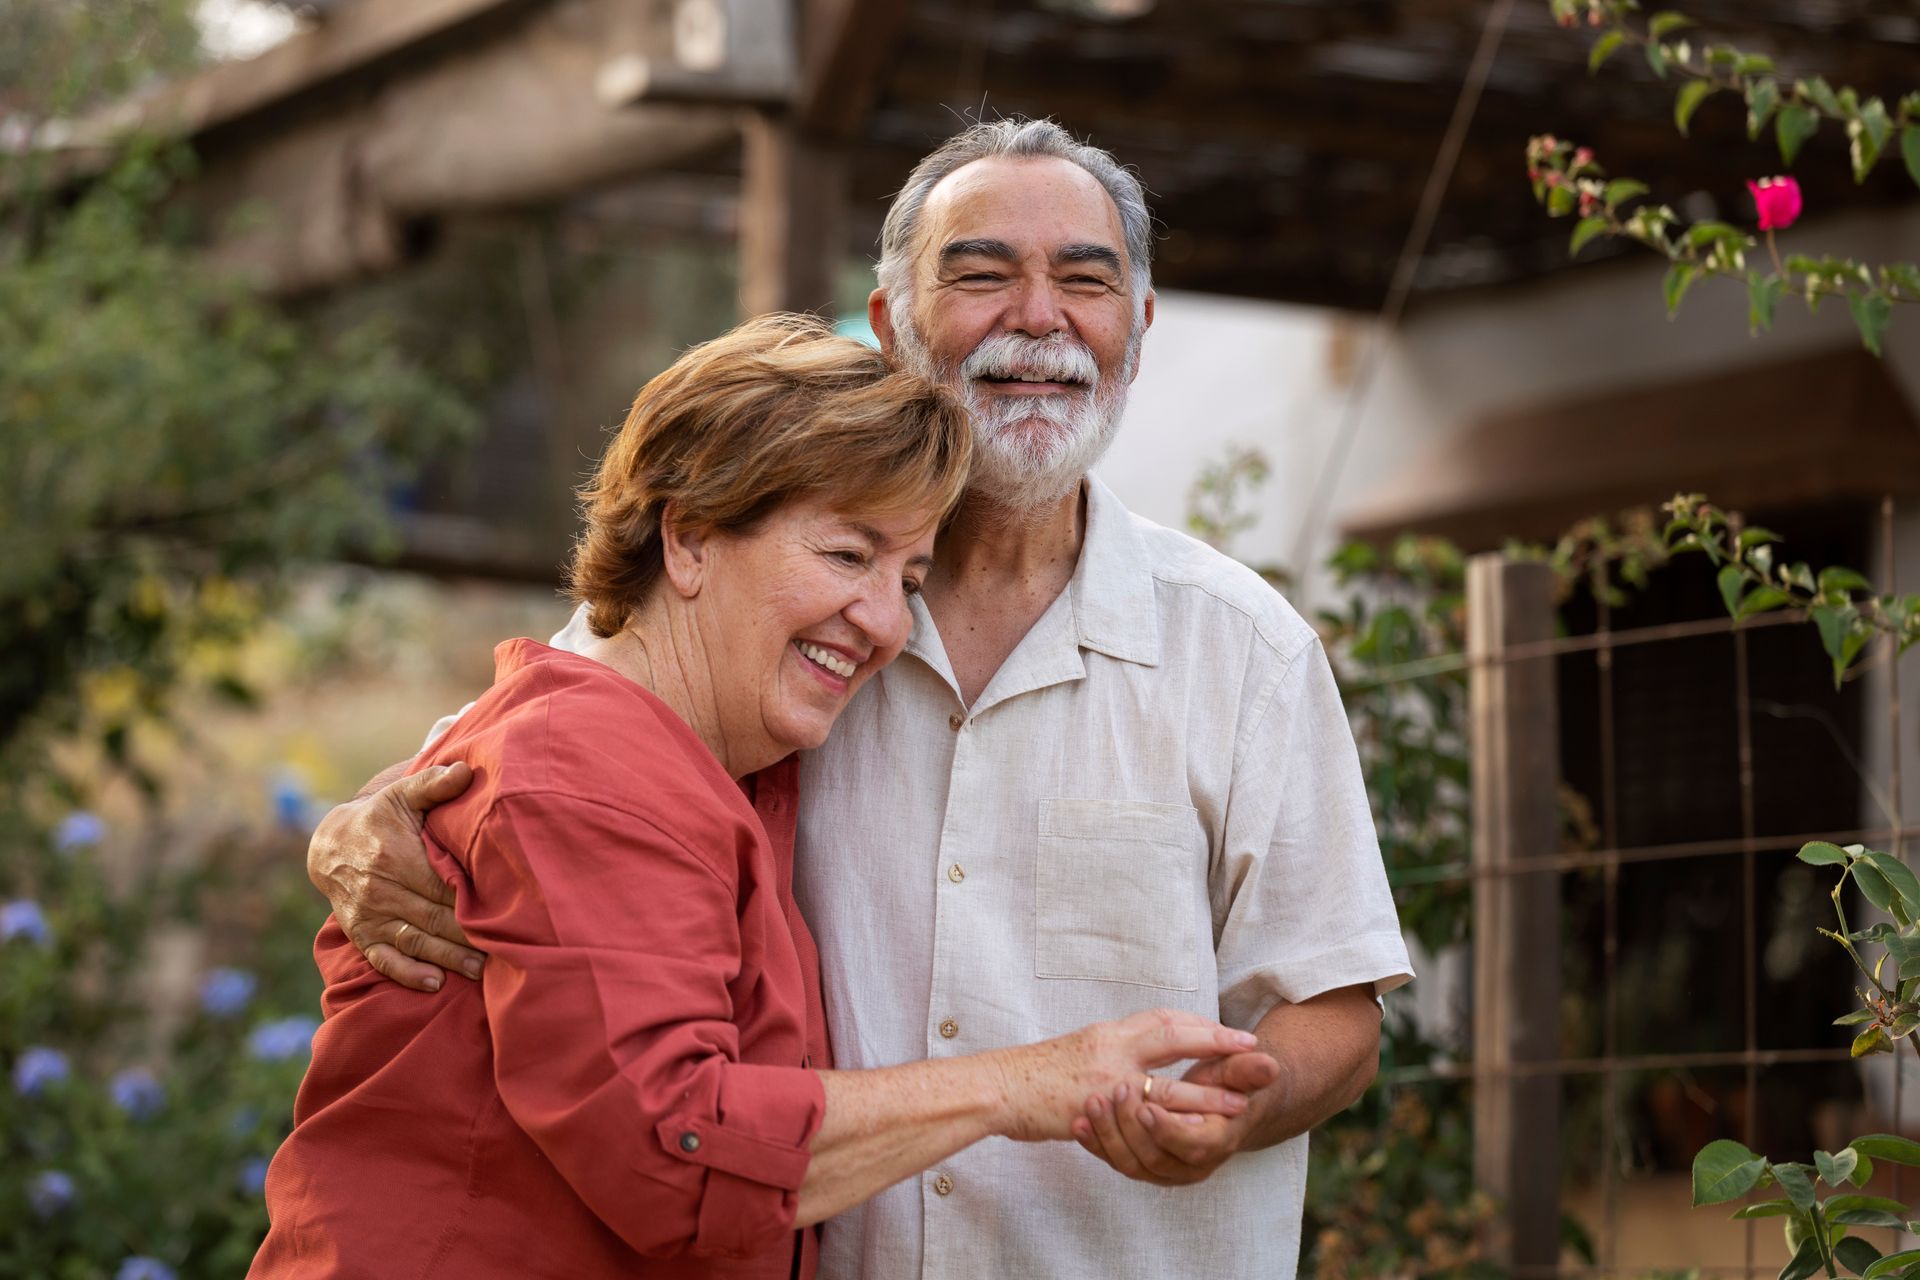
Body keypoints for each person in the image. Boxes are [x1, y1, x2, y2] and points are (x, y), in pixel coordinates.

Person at [310, 121, 1413, 1280]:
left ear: (1136, 329)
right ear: (891, 324)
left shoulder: (1244, 650)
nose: (1038, 316)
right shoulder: (756, 616)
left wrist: (1250, 1099)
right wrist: (360, 821)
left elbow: (1334, 1005)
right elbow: (541, 750)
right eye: (982, 273)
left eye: (1085, 280)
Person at [255, 314, 1269, 1280]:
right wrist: (1026, 1082)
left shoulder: (731, 751)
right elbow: (678, 1151)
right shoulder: (591, 766)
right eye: (845, 554)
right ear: (688, 539)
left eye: (909, 578)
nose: (883, 619)